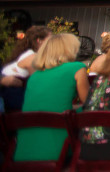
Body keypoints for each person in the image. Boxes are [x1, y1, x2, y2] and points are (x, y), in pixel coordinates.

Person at [13, 33, 90, 162]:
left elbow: (48, 104)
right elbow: (89, 103)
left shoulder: (35, 75)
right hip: (59, 147)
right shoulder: (76, 68)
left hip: (25, 151)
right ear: (69, 49)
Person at [1, 25, 51, 110]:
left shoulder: (27, 54)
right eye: (50, 40)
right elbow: (39, 84)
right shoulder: (33, 57)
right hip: (12, 97)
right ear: (39, 41)